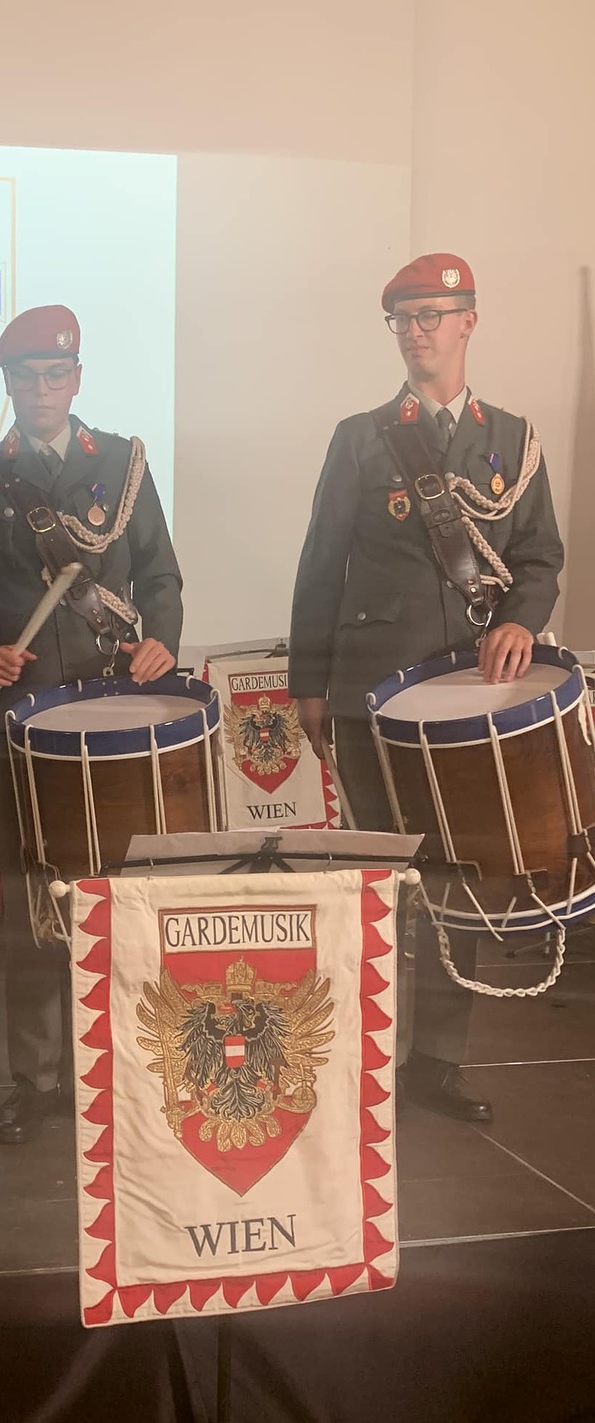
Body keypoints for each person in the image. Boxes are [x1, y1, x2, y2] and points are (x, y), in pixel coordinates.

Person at [289, 253, 564, 1122]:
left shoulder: (511, 439)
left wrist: (520, 619)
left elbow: (539, 557)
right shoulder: (360, 436)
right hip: (370, 692)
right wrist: (308, 685)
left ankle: (436, 1062)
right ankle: (356, 1054)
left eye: (430, 317)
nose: (415, 333)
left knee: (459, 879)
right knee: (375, 877)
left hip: (470, 701)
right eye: (402, 319)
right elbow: (319, 566)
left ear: (467, 322)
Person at [0, 305, 183, 1144]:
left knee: (126, 892)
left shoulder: (123, 462)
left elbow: (160, 574)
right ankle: (37, 1080)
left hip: (120, 707)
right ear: (6, 384)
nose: (40, 388)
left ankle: (133, 1069)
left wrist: (161, 639)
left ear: (76, 380)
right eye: (25, 376)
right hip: (26, 716)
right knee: (35, 899)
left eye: (54, 374)